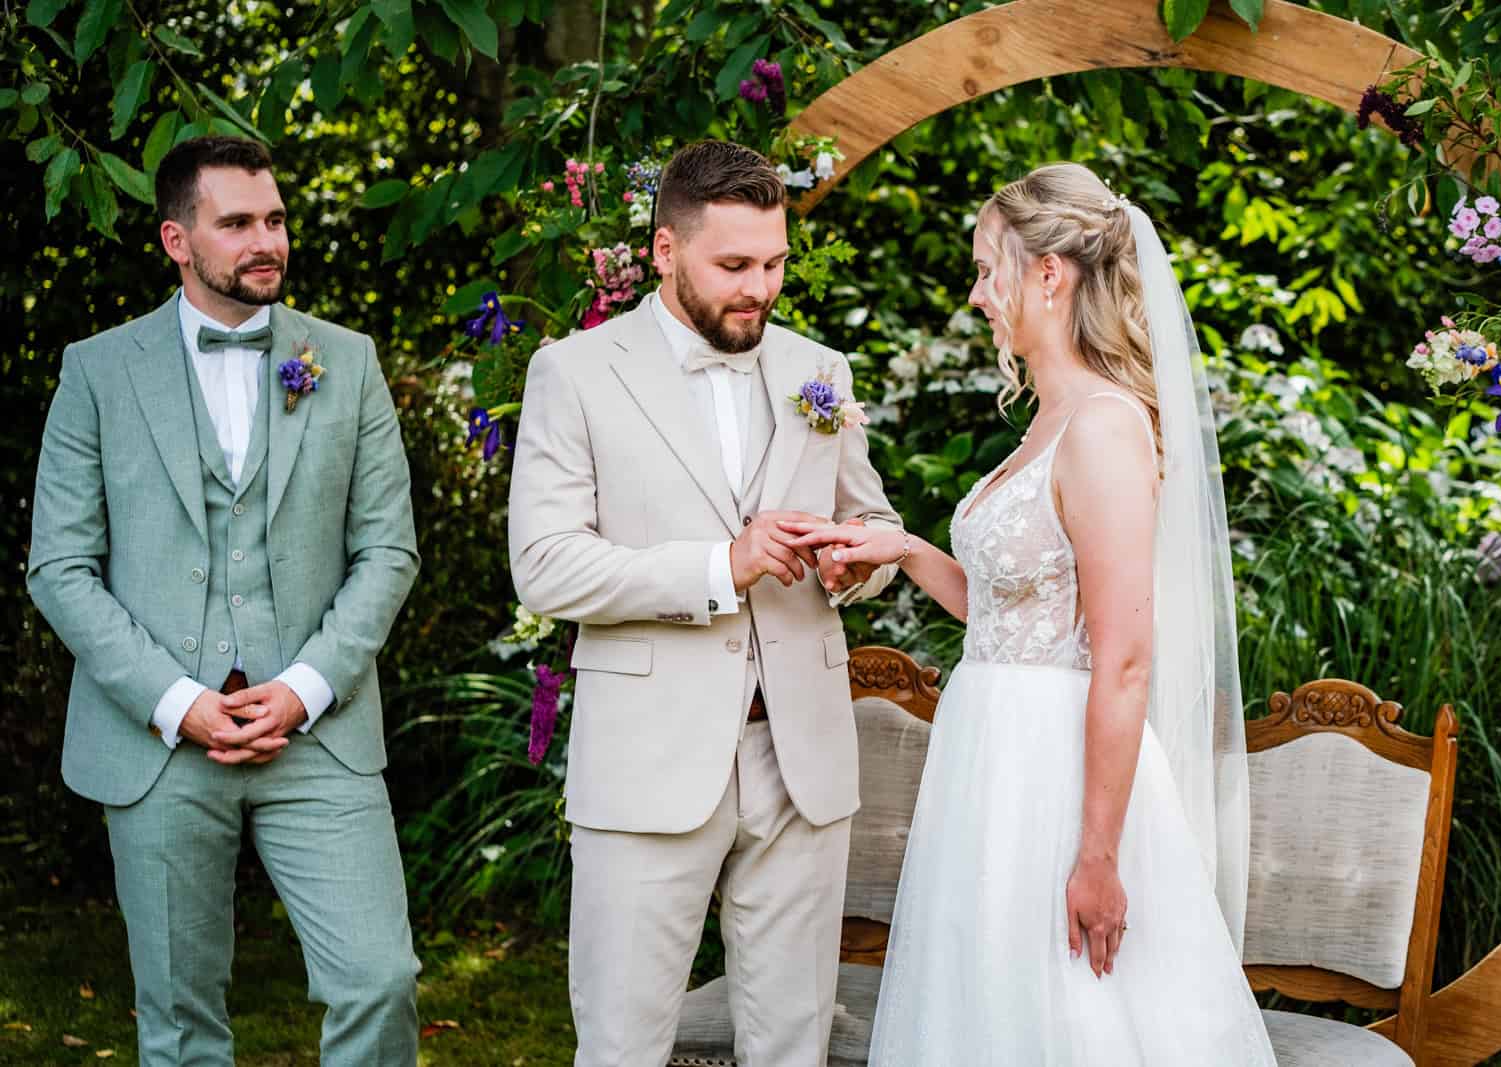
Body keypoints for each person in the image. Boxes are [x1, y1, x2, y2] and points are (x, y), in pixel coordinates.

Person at [786, 163, 1277, 1065]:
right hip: (988, 761)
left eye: (987, 268)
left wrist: (1096, 854)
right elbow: (1014, 615)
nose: (977, 294)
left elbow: (1124, 657)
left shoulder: (1102, 425)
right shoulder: (1047, 422)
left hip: (1055, 779)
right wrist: (899, 549)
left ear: (1049, 273)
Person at [27, 135, 422, 1066]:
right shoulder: (98, 370)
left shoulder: (348, 361)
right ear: (177, 238)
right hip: (160, 743)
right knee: (180, 1023)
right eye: (237, 222)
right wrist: (179, 703)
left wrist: (306, 685)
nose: (266, 241)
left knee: (380, 978)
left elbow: (388, 551)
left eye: (275, 219)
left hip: (317, 733)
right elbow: (60, 567)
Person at [507, 139, 902, 1067]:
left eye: (773, 264)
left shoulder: (821, 370)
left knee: (793, 1041)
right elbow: (546, 565)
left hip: (799, 756)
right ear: (664, 253)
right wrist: (723, 566)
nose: (759, 288)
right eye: (733, 266)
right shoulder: (575, 372)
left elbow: (872, 518)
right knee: (624, 1040)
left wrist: (858, 563)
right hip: (648, 761)